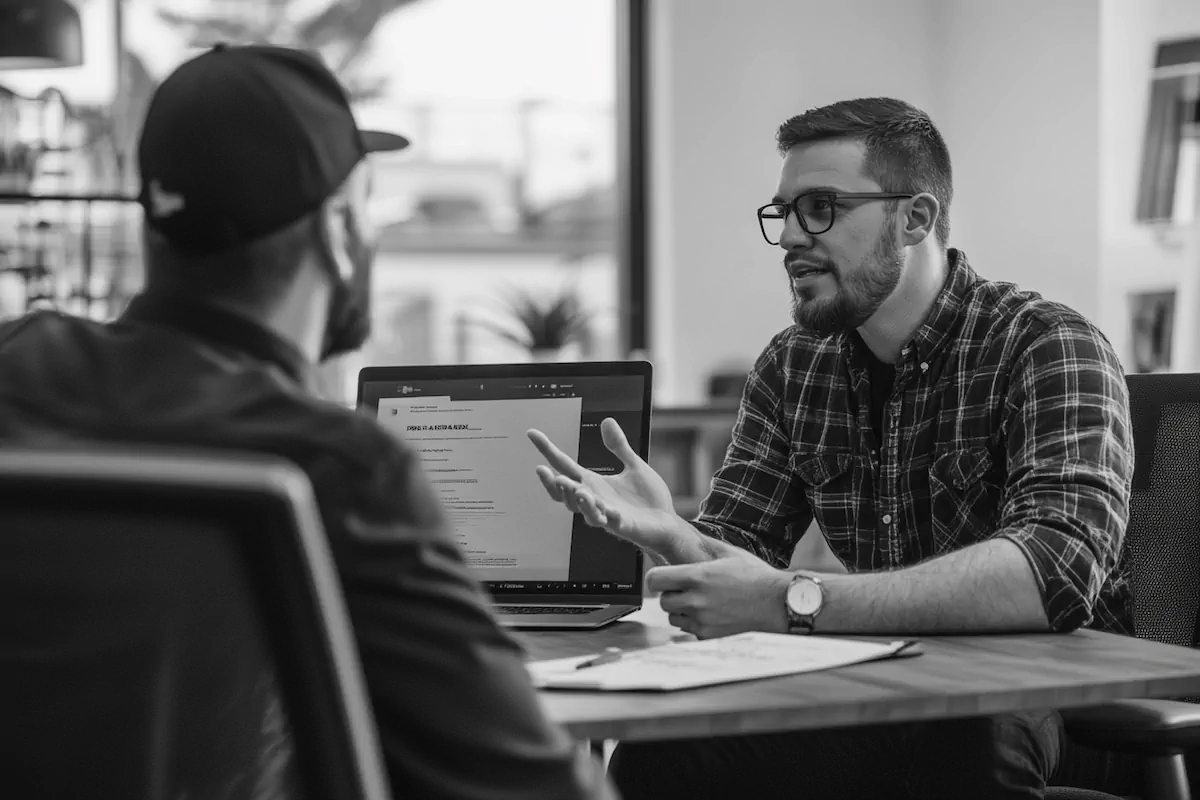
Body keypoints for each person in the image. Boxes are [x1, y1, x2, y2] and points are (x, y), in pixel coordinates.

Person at [0, 44, 615, 800]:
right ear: (338, 231)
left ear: (154, 226)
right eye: (366, 208)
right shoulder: (336, 467)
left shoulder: (17, 362)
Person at [528, 97, 1134, 800]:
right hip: (897, 680)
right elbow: (736, 571)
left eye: (820, 208)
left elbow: (1055, 571)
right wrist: (672, 535)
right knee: (670, 751)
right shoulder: (795, 364)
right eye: (783, 212)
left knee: (970, 732)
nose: (790, 235)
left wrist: (797, 601)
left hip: (1068, 698)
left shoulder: (1047, 343)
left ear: (915, 218)